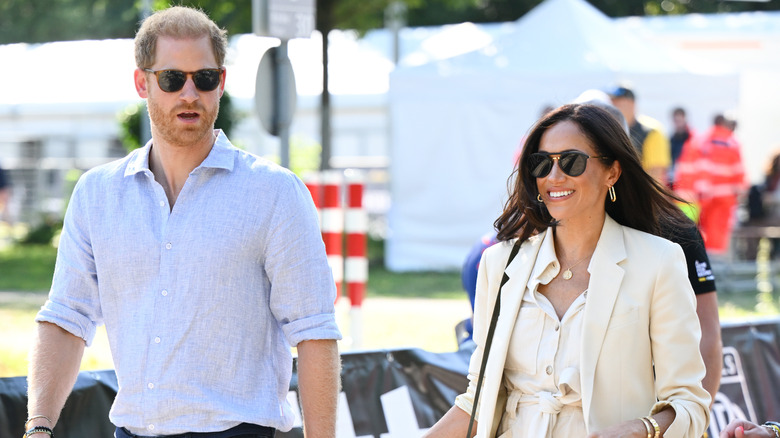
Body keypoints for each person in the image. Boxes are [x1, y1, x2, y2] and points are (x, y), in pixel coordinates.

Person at [25, 6, 341, 438]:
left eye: (204, 78)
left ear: (222, 82)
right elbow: (66, 318)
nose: (190, 94)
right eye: (173, 79)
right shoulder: (96, 194)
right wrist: (38, 426)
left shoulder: (275, 194)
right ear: (143, 82)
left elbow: (314, 330)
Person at [427, 103, 710, 438]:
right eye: (542, 163)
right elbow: (478, 400)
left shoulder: (659, 261)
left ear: (612, 172)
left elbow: (689, 404)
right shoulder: (499, 264)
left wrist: (641, 428)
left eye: (572, 162)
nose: (554, 177)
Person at [675, 113, 746, 255]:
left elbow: (695, 168)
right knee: (717, 237)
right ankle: (715, 266)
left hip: (699, 197)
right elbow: (739, 174)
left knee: (697, 233)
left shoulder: (701, 140)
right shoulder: (731, 143)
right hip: (724, 198)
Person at [609, 85, 672, 185]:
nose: (613, 106)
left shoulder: (651, 130)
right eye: (612, 102)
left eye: (618, 102)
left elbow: (656, 175)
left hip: (640, 194)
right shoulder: (612, 130)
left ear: (631, 104)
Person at [669, 107, 694, 184]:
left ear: (684, 119)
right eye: (676, 121)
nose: (677, 123)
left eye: (679, 120)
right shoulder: (671, 139)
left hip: (690, 181)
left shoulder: (692, 138)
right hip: (675, 180)